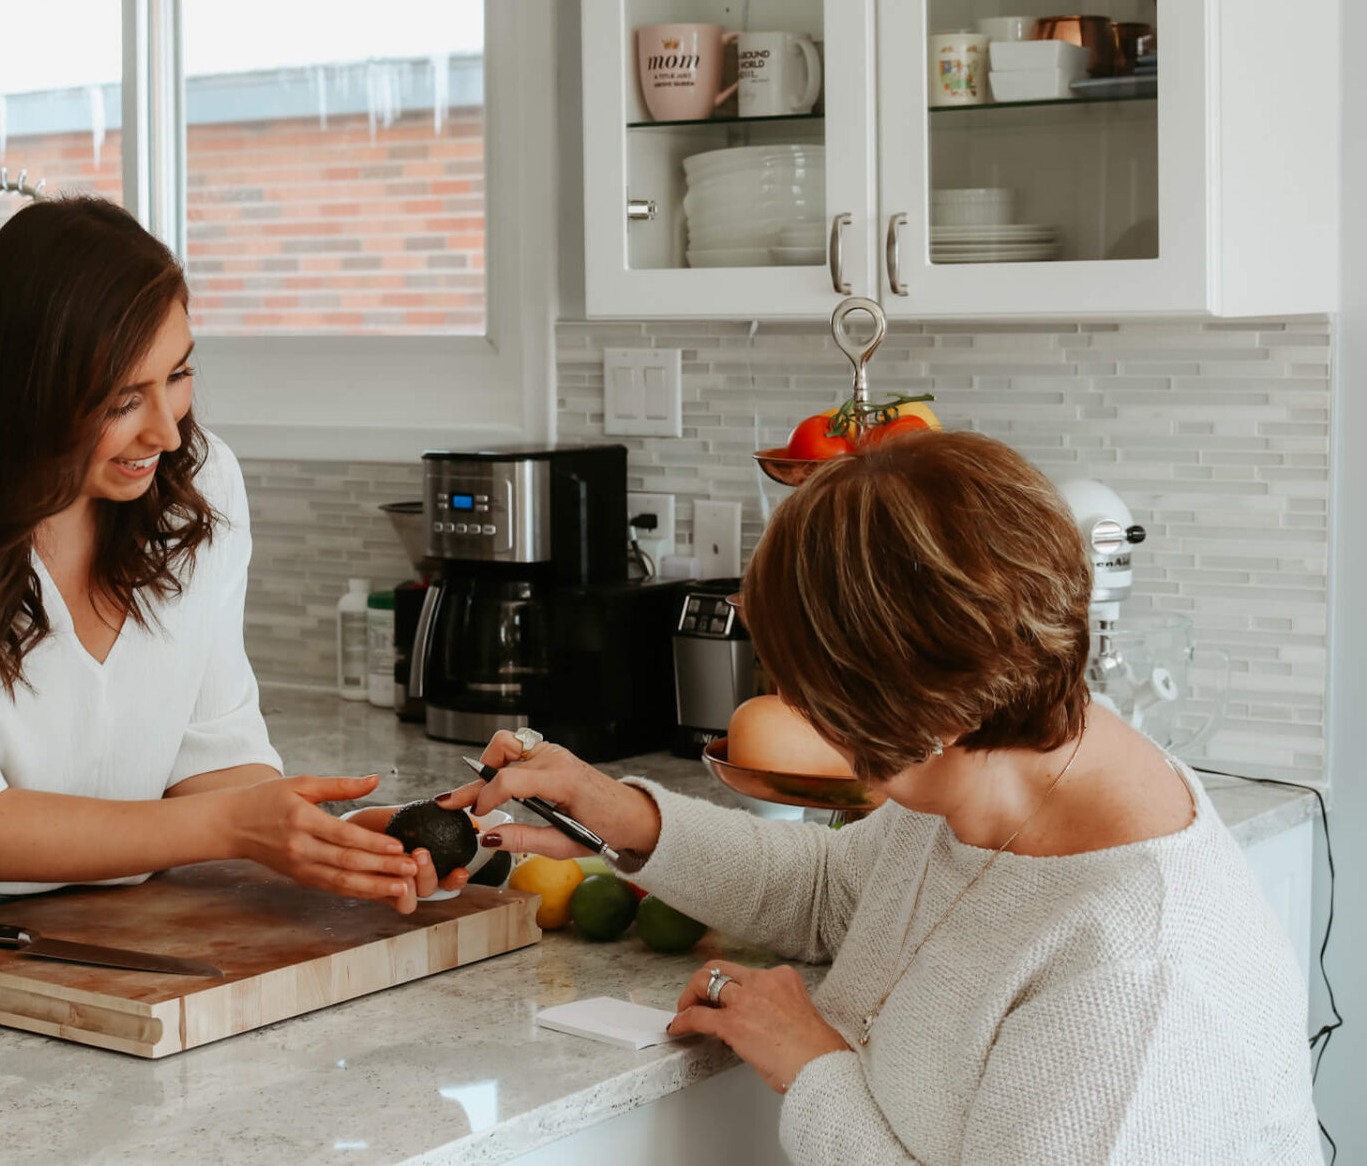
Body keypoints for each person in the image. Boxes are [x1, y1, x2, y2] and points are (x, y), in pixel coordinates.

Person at [449, 431, 1319, 1163]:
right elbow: (836, 891)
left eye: (808, 693)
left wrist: (812, 1064)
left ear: (921, 712)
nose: (793, 710)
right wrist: (625, 818)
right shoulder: (1001, 763)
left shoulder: (1136, 975)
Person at [0, 198, 463, 995]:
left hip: (104, 904)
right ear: (28, 394)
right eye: (122, 400)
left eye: (179, 374)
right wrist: (235, 828)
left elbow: (212, 749)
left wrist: (315, 841)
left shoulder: (197, 486)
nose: (167, 432)